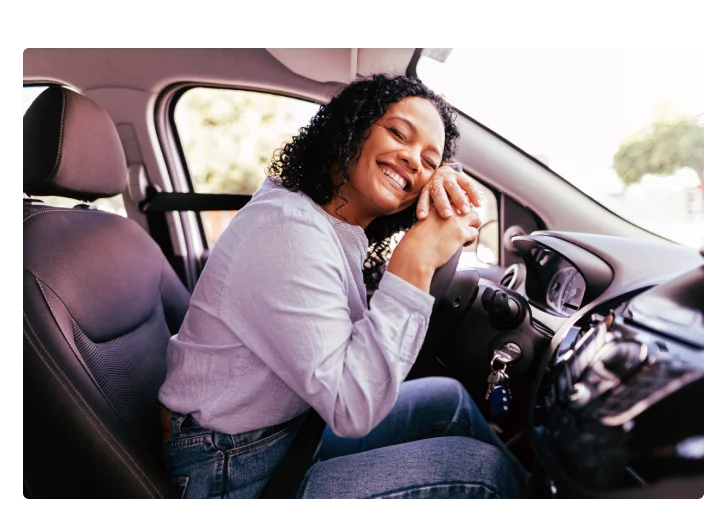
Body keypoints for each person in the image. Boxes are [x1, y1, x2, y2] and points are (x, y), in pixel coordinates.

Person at [158, 74, 528, 501]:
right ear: (349, 128)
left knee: (448, 399)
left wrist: (446, 176)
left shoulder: (327, 221)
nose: (413, 161)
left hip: (285, 432)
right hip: (228, 465)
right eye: (397, 133)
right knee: (481, 472)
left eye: (429, 161)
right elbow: (352, 409)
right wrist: (417, 259)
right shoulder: (287, 228)